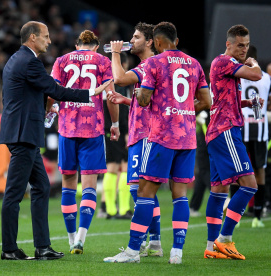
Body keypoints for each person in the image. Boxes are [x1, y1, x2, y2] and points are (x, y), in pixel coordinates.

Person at [0, 21, 111, 261]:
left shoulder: (14, 60)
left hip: (23, 133)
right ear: (32, 38)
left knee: (42, 187)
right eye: (45, 36)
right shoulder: (30, 62)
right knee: (14, 194)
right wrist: (90, 93)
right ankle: (9, 248)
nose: (49, 41)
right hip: (23, 135)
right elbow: (55, 90)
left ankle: (42, 247)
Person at [104, 21, 211, 264]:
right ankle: (177, 252)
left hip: (161, 136)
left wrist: (147, 99)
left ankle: (133, 250)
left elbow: (143, 100)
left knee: (144, 191)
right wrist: (182, 110)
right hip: (187, 137)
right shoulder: (194, 63)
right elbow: (207, 101)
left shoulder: (154, 63)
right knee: (180, 194)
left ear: (158, 42)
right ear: (177, 40)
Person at [51, 30, 120, 255]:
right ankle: (81, 238)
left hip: (67, 128)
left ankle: (71, 239)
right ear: (96, 46)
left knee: (68, 186)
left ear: (77, 44)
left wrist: (50, 110)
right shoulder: (102, 61)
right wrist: (115, 124)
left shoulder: (62, 61)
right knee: (89, 186)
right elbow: (111, 96)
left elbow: (52, 93)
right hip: (92, 128)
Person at [204, 25, 262, 260]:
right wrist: (253, 63)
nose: (244, 49)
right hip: (226, 130)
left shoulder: (225, 67)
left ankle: (210, 246)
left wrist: (247, 103)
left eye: (246, 46)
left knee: (219, 190)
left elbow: (227, 99)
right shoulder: (223, 61)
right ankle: (224, 238)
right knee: (250, 184)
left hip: (218, 130)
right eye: (240, 45)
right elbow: (256, 75)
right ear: (228, 44)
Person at [106, 22, 163, 257]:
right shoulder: (149, 66)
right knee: (145, 189)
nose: (132, 39)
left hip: (145, 135)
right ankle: (155, 242)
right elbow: (150, 103)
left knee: (136, 189)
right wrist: (126, 101)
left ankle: (140, 242)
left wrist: (116, 52)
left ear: (149, 42)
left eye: (137, 36)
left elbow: (118, 77)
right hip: (143, 132)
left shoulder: (149, 64)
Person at [230, 45, 271, 228]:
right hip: (261, 130)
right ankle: (257, 216)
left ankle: (234, 216)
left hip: (241, 129)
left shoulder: (238, 75)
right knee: (260, 171)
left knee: (236, 172)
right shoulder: (267, 78)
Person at [100, 51, 130, 220]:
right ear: (123, 65)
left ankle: (110, 209)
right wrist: (126, 132)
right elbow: (122, 110)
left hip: (105, 129)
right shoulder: (121, 82)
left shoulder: (105, 82)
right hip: (119, 129)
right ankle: (124, 209)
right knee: (124, 168)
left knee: (111, 167)